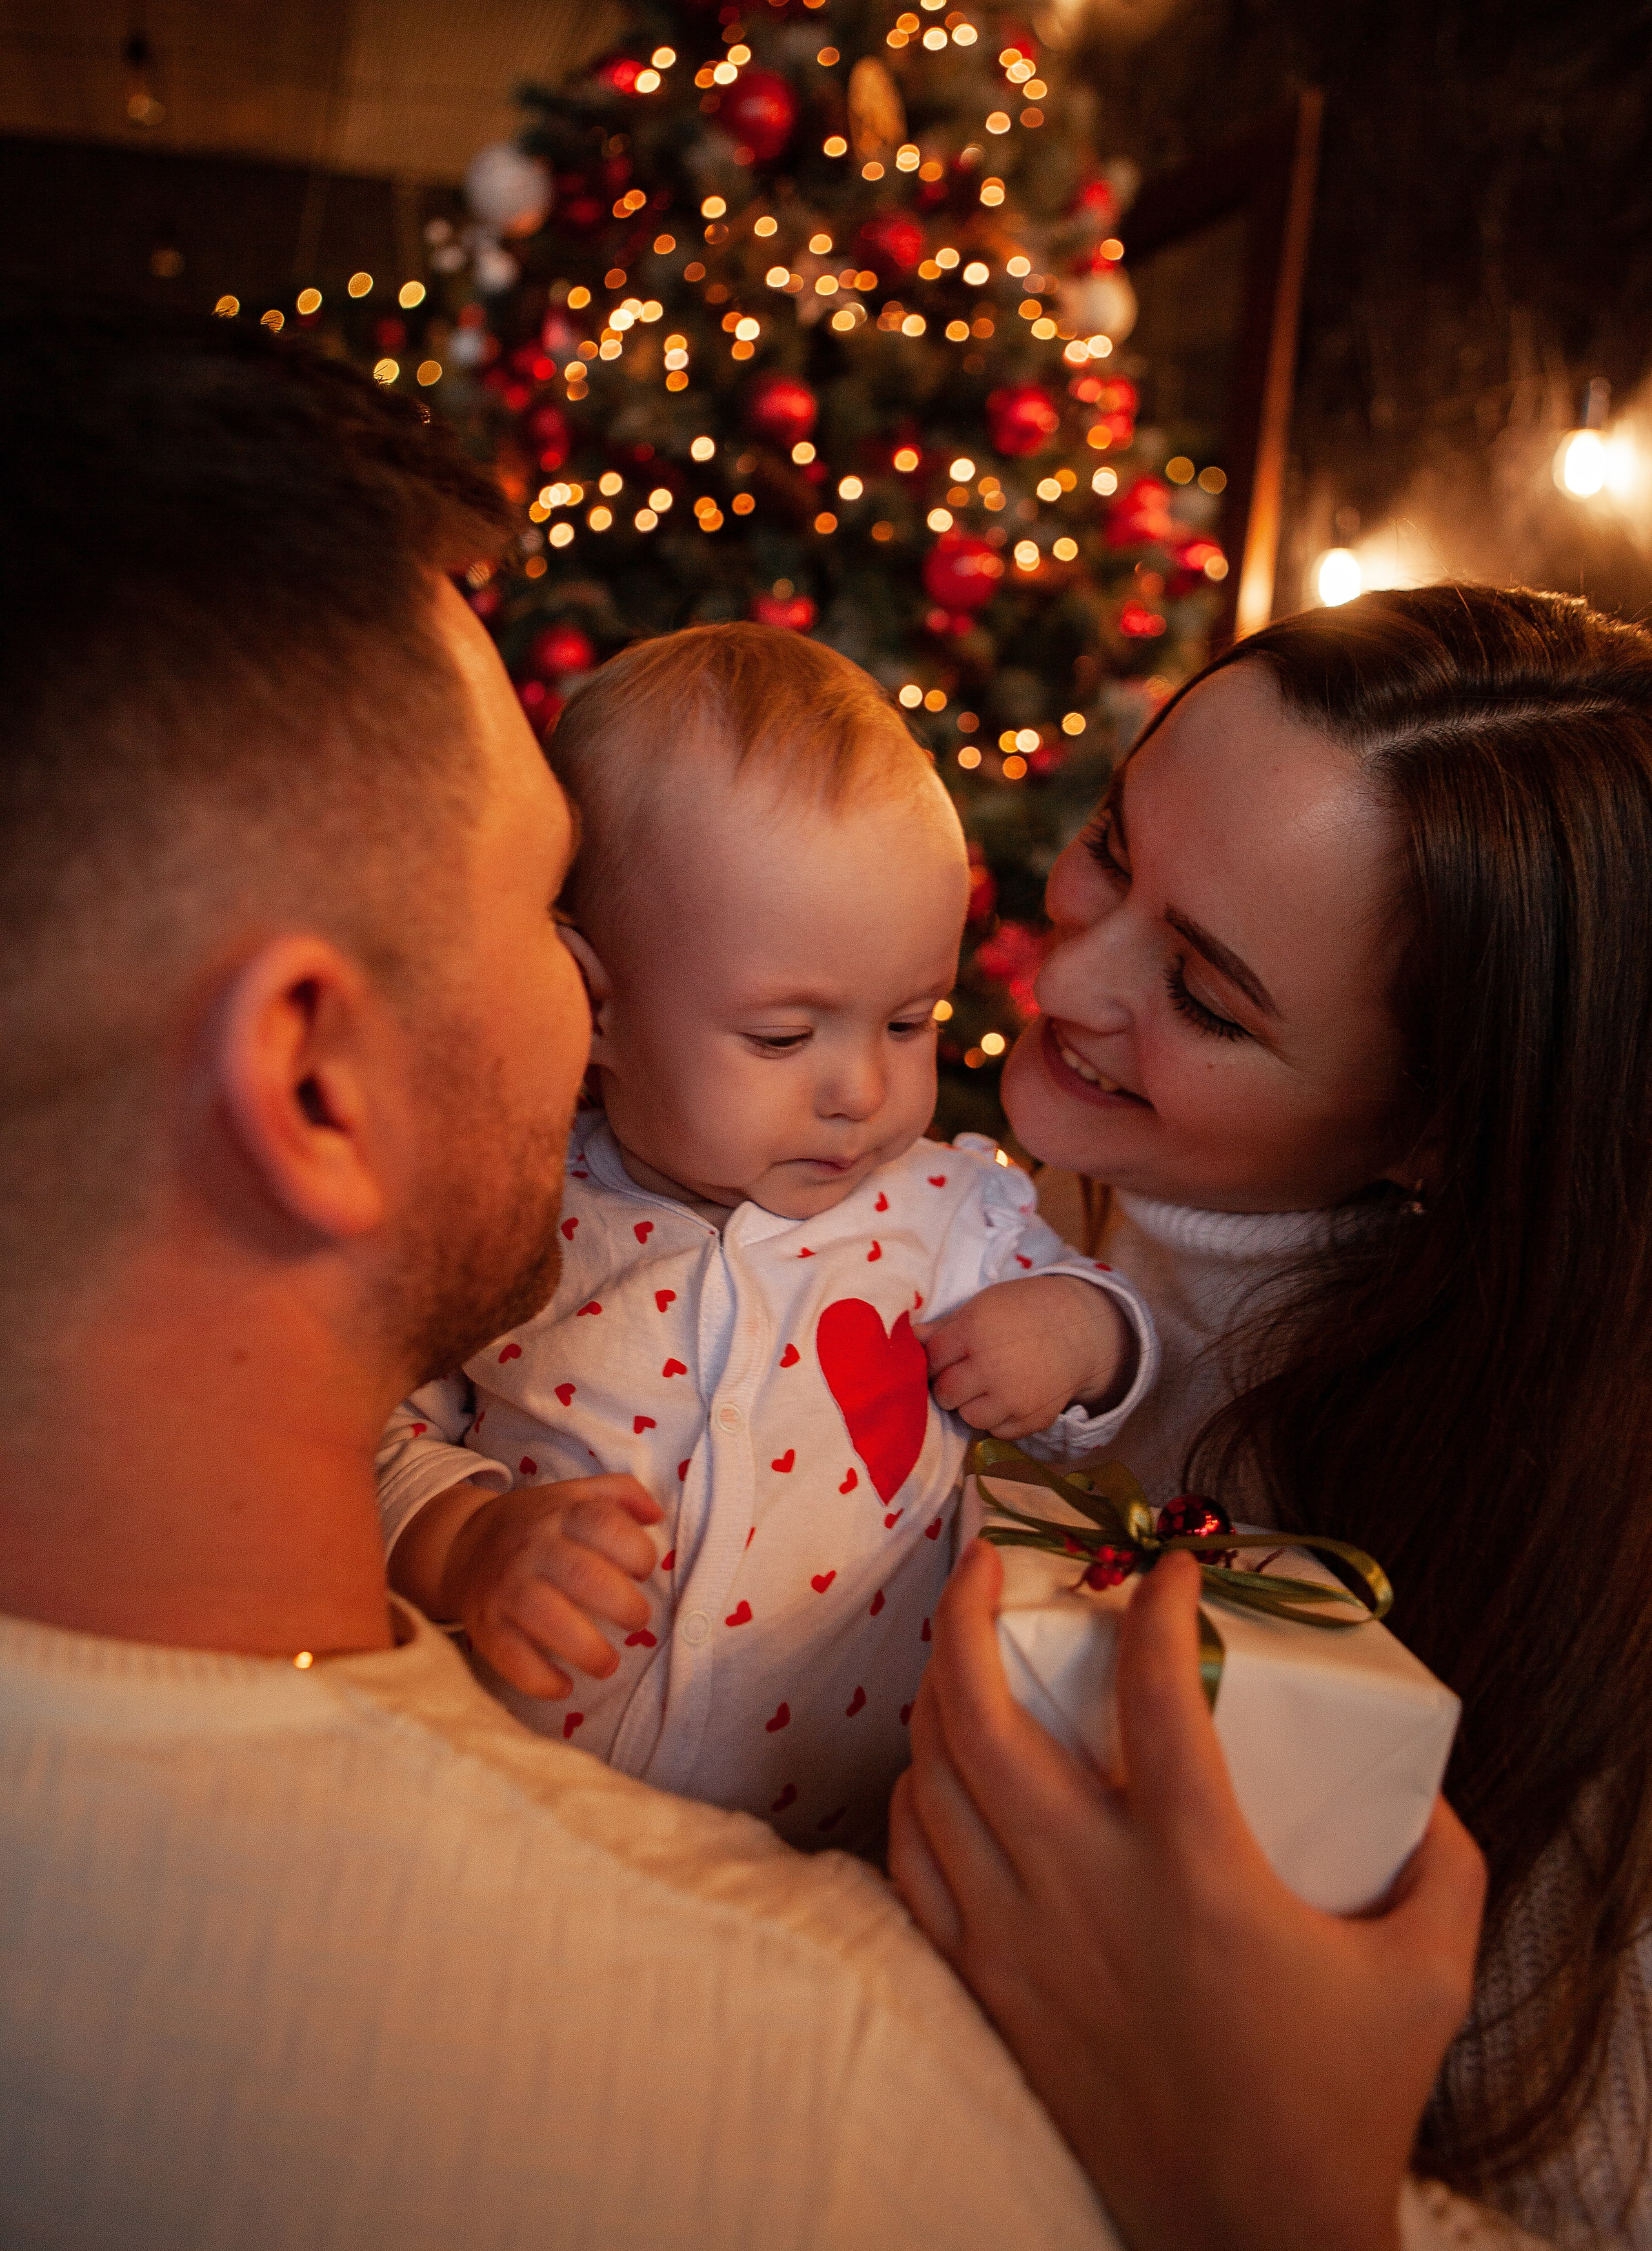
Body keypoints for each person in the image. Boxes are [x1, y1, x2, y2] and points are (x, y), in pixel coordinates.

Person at [0, 305, 1480, 2251]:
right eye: (550, 910)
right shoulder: (841, 2097)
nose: (592, 1001)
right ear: (305, 1081)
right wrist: (1285, 2201)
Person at [891, 585, 1652, 2249]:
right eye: (1108, 847)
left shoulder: (1547, 1576)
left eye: (1209, 995)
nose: (1061, 967)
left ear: (1440, 1130)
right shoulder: (989, 1207)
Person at [376, 624, 1153, 1853]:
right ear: (596, 1003)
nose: (859, 1090)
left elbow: (1109, 1342)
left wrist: (1071, 1331)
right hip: (512, 1821)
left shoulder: (943, 1207)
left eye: (909, 1022)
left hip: (837, 1843)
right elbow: (370, 1435)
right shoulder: (517, 1203)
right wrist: (468, 1540)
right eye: (785, 1038)